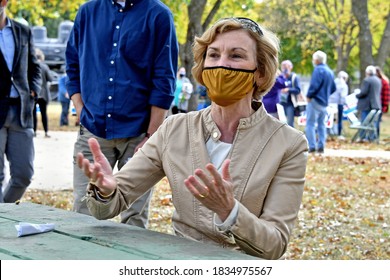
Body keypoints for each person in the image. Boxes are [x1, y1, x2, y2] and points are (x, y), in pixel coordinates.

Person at [77, 17, 308, 260]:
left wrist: (229, 212)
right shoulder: (174, 129)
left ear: (260, 74)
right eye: (214, 55)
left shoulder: (288, 144)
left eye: (236, 56)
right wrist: (106, 191)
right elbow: (109, 206)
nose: (222, 65)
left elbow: (275, 245)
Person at [65, 0, 178, 228]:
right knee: (84, 211)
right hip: (93, 131)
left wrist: (151, 137)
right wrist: (80, 108)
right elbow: (72, 64)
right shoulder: (88, 12)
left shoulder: (159, 15)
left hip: (139, 133)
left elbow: (164, 79)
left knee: (134, 216)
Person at [0, 0, 41, 203]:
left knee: (24, 175)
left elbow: (35, 66)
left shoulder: (23, 31)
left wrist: (34, 90)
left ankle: (3, 216)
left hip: (21, 111)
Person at [305, 50, 336, 153]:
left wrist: (309, 95)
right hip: (324, 102)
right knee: (322, 124)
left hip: (315, 100)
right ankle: (321, 145)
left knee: (310, 124)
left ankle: (312, 145)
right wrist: (326, 94)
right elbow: (333, 88)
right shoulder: (330, 72)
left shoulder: (318, 70)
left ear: (317, 60)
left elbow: (314, 85)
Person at [356, 65, 382, 141]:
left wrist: (357, 95)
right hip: (376, 104)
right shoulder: (378, 80)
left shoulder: (367, 80)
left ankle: (362, 137)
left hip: (367, 104)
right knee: (373, 123)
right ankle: (372, 137)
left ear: (367, 72)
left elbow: (364, 92)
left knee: (364, 122)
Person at [33, 48, 53, 138]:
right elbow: (50, 79)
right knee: (43, 114)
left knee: (33, 113)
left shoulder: (32, 65)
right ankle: (46, 132)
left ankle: (34, 131)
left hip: (33, 93)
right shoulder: (44, 66)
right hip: (43, 94)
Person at [278, 60, 301, 127]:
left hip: (290, 104)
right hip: (280, 104)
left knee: (290, 124)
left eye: (287, 66)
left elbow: (298, 90)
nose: (285, 68)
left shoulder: (294, 77)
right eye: (283, 66)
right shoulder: (280, 77)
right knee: (280, 124)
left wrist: (288, 90)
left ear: (291, 67)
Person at [328, 70, 349, 139]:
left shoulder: (333, 82)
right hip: (339, 104)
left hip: (330, 103)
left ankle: (329, 132)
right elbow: (343, 96)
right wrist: (346, 103)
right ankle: (339, 133)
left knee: (330, 118)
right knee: (339, 119)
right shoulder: (343, 85)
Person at [375, 66, 389, 139]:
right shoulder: (379, 81)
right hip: (378, 104)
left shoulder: (383, 82)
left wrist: (384, 106)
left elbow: (386, 96)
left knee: (377, 122)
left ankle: (376, 137)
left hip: (380, 105)